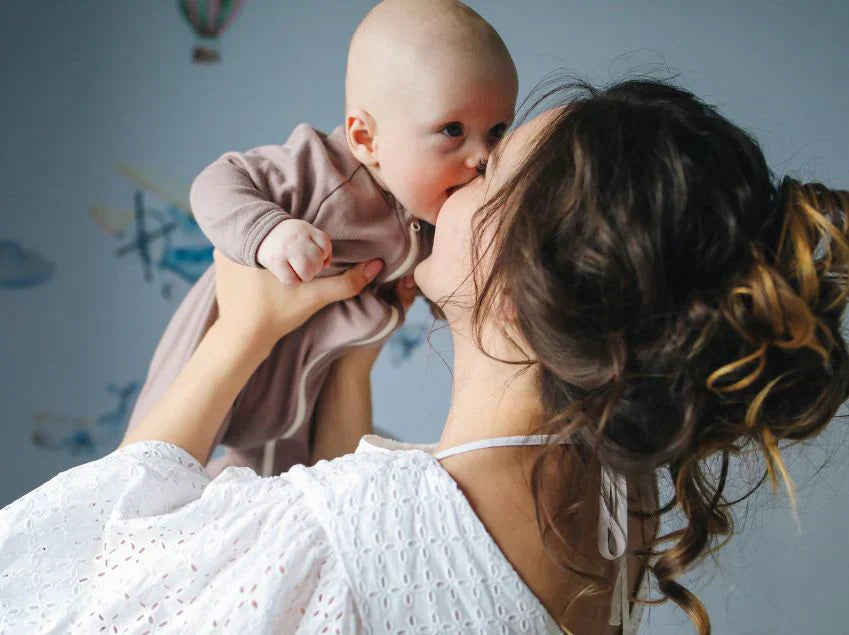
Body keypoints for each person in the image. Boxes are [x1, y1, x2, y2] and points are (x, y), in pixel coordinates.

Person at [2, 78, 847, 634]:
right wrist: (352, 362)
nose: (458, 176)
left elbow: (78, 575)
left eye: (491, 168)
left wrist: (239, 332)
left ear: (518, 284)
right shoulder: (613, 506)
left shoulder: (347, 531)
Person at [124, 0, 519, 478]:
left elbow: (452, 289)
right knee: (152, 469)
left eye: (497, 131)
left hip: (308, 382)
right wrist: (269, 232)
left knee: (279, 483)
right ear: (365, 138)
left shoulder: (434, 211)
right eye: (452, 130)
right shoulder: (321, 170)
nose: (482, 157)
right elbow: (216, 181)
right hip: (225, 341)